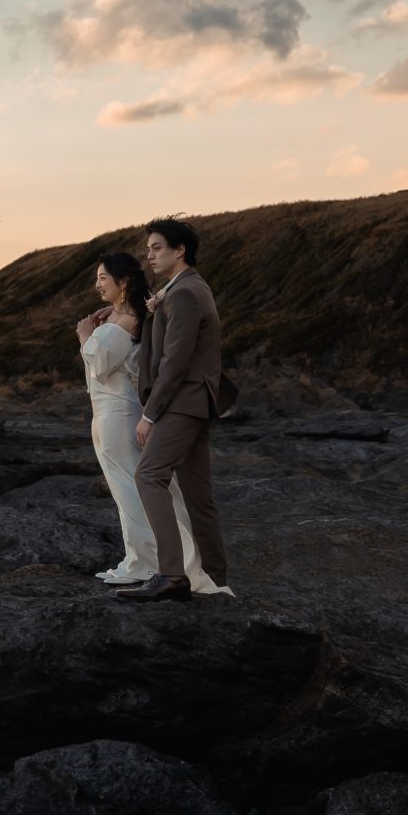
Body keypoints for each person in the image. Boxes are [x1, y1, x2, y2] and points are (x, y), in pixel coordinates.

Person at [76, 251, 212, 591]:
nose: (97, 284)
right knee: (125, 491)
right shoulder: (120, 318)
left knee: (131, 488)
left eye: (103, 278)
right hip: (106, 412)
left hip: (119, 416)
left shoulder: (130, 320)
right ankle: (141, 558)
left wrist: (83, 336)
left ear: (122, 283)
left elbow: (100, 366)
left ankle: (150, 561)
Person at [122, 217, 233, 603]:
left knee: (149, 475)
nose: (148, 254)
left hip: (182, 402)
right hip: (195, 402)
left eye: (156, 247)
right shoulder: (183, 288)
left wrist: (150, 414)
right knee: (198, 494)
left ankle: (171, 574)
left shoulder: (185, 293)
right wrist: (152, 310)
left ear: (179, 250)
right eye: (148, 248)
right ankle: (214, 578)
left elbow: (175, 361)